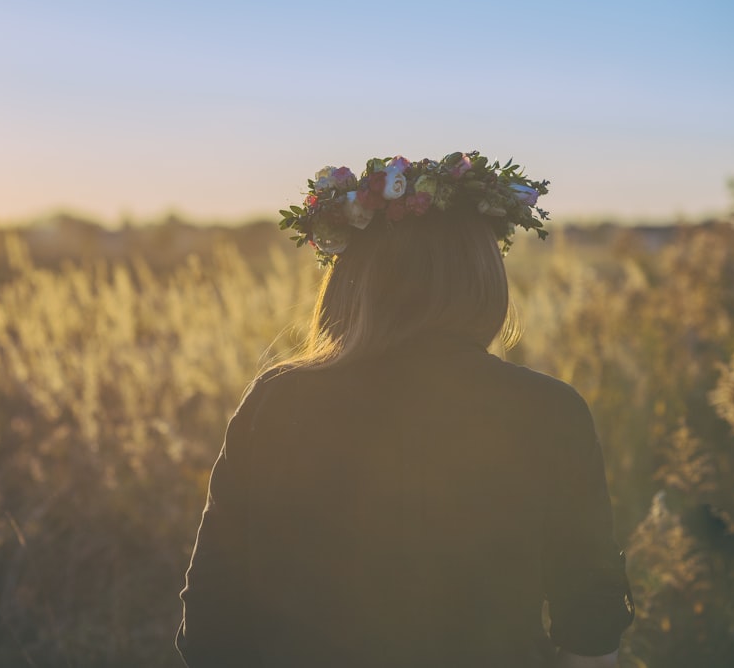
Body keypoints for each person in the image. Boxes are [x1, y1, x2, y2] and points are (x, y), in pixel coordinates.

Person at [176, 152, 634, 668]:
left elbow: (214, 615)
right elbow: (591, 618)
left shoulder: (280, 401)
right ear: (484, 277)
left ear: (352, 281)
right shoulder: (550, 410)